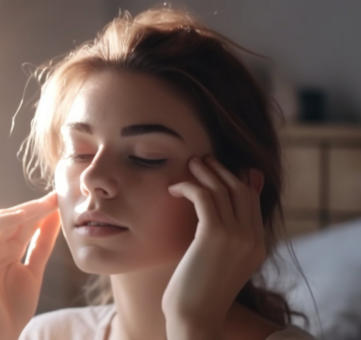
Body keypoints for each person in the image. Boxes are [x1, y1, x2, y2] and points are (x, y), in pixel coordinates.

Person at [0, 6, 316, 340]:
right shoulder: (48, 334)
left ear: (237, 187)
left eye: (145, 157)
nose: (93, 178)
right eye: (80, 153)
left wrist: (192, 326)